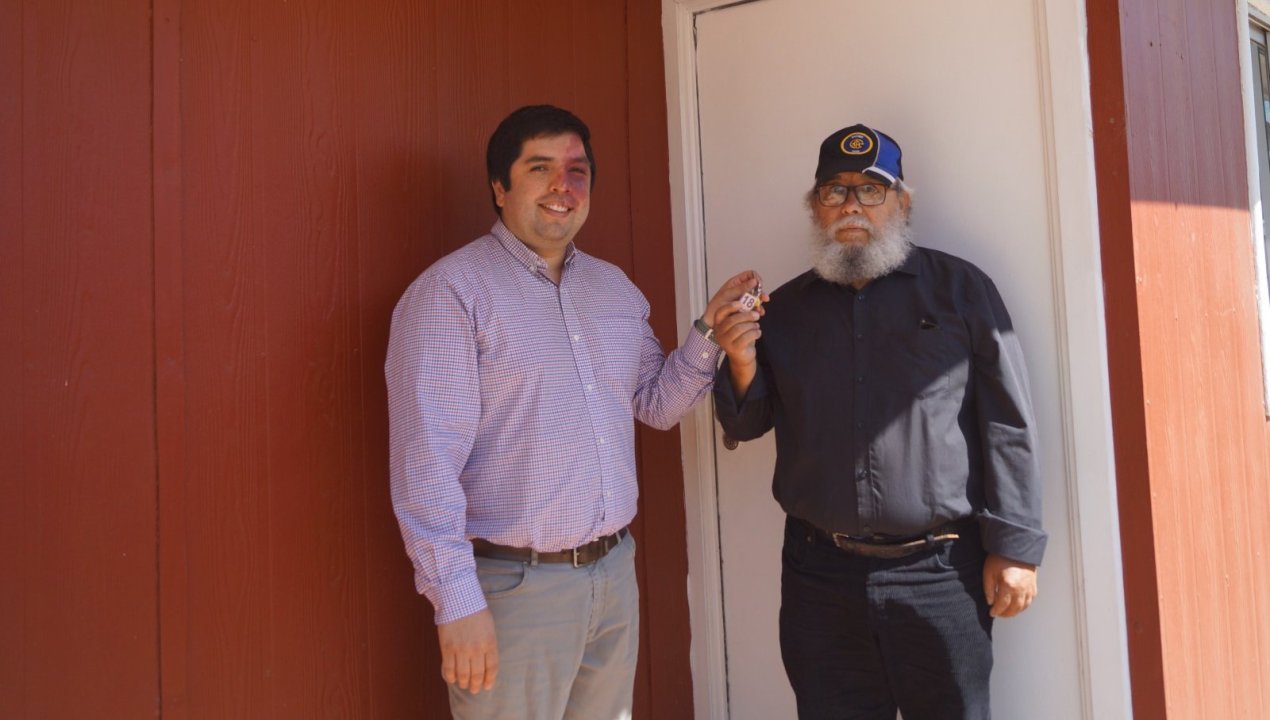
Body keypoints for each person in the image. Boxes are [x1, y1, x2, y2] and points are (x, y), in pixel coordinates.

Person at [385, 104, 761, 719]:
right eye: (540, 168)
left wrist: (709, 332)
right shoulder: (450, 295)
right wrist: (456, 601)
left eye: (577, 171)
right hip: (514, 590)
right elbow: (425, 465)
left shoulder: (612, 290)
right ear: (499, 187)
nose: (563, 186)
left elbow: (656, 405)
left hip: (612, 576)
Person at [711, 123, 1046, 720]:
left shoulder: (961, 291)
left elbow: (1007, 423)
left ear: (902, 203)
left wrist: (1016, 548)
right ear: (815, 207)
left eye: (871, 190)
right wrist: (739, 361)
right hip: (819, 578)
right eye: (834, 191)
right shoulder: (784, 311)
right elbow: (747, 423)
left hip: (941, 574)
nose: (852, 205)